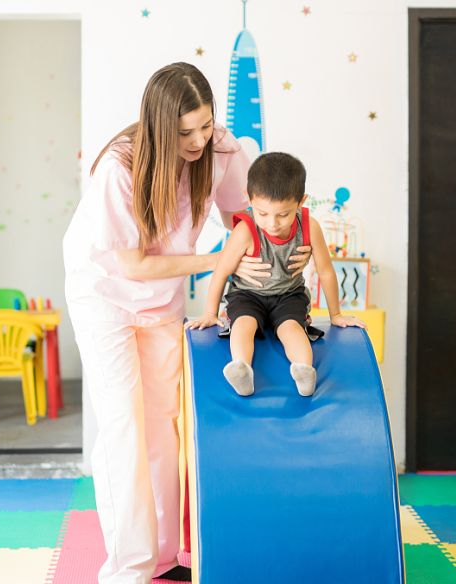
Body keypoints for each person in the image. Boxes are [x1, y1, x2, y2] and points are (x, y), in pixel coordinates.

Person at [62, 64, 311, 583]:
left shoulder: (219, 149)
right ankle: (127, 568)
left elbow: (253, 216)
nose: (199, 140)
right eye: (185, 132)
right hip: (104, 296)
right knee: (124, 425)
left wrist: (290, 251)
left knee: (162, 423)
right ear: (158, 127)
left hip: (160, 300)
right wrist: (217, 263)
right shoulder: (120, 168)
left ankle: (164, 555)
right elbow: (133, 264)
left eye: (206, 124)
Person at [186, 152, 365, 397]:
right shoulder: (245, 230)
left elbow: (326, 271)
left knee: (291, 328)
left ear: (301, 202)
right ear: (249, 200)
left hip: (289, 295)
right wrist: (210, 313)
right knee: (243, 325)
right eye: (263, 214)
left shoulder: (309, 227)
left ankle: (304, 370)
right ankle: (242, 368)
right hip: (247, 295)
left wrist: (336, 314)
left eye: (283, 214)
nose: (272, 223)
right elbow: (222, 272)